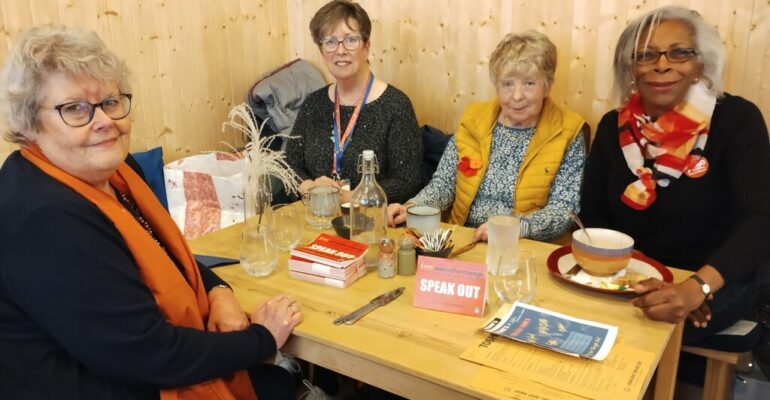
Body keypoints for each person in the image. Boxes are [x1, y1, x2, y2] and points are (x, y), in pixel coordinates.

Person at [0, 26, 302, 399]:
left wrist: (219, 290)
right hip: (119, 384)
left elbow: (168, 257)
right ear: (30, 123)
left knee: (279, 383)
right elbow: (151, 355)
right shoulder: (44, 217)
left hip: (141, 367)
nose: (103, 121)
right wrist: (263, 339)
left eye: (110, 101)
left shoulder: (120, 174)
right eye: (75, 108)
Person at [580, 6, 770, 346]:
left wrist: (695, 290)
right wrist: (646, 284)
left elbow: (761, 220)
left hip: (720, 275)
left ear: (700, 66)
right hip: (635, 274)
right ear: (631, 69)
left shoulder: (737, 119)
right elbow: (594, 219)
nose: (662, 64)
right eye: (645, 55)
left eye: (679, 52)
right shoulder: (612, 126)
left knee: (646, 328)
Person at [387, 30, 586, 242]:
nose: (517, 96)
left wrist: (515, 228)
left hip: (525, 247)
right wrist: (412, 208)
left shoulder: (567, 132)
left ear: (546, 85)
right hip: (466, 239)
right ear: (497, 85)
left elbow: (565, 211)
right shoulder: (473, 122)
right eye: (508, 84)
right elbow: (443, 185)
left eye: (529, 83)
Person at [284, 0, 423, 204]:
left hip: (369, 222)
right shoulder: (313, 104)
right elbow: (289, 163)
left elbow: (409, 181)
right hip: (315, 215)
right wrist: (309, 187)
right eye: (330, 41)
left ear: (366, 47)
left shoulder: (396, 106)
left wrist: (355, 197)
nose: (340, 50)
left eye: (350, 40)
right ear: (322, 51)